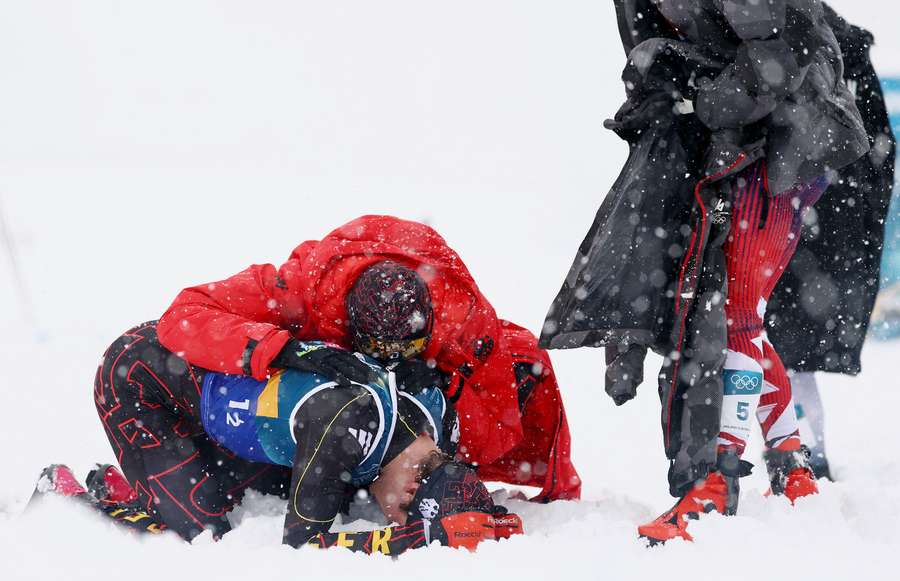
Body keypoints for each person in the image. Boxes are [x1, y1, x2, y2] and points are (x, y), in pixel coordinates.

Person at [539, 0, 871, 544]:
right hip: (745, 143)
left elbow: (786, 49)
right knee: (741, 317)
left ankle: (717, 482)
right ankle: (792, 469)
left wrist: (707, 102)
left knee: (734, 316)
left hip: (779, 142)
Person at [155, 215, 580, 502]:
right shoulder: (305, 288)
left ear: (430, 327)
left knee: (525, 353)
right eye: (377, 352)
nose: (390, 362)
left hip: (444, 357)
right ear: (347, 324)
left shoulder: (465, 325)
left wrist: (447, 384)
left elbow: (500, 435)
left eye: (406, 352)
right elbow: (184, 316)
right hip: (300, 378)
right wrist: (285, 348)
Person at [71, 321, 522, 553]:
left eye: (397, 524)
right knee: (203, 533)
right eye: (402, 513)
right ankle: (68, 494)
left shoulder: (438, 425)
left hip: (210, 376)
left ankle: (138, 483)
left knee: (273, 486)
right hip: (143, 378)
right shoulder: (342, 430)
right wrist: (414, 541)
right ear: (411, 487)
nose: (391, 517)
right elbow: (301, 549)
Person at [766, 5, 896, 481]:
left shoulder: (791, 42)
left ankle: (795, 458)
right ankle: (803, 458)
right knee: (786, 354)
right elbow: (879, 152)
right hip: (822, 220)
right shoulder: (840, 51)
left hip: (796, 218)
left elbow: (875, 151)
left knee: (769, 348)